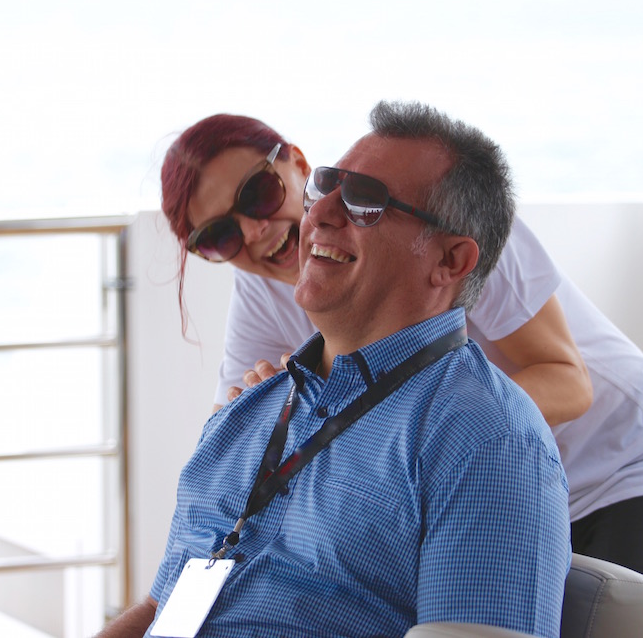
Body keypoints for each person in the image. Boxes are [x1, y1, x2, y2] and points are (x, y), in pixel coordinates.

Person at [157, 103, 643, 638]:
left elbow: (568, 380)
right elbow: (230, 441)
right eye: (219, 237)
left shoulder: (438, 230)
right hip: (453, 484)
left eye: (258, 194)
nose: (255, 232)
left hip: (629, 467)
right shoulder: (265, 289)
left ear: (298, 165)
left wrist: (405, 438)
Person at [101, 100, 571, 638]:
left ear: (450, 261)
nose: (318, 213)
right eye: (327, 189)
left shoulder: (486, 440)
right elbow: (165, 607)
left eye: (366, 202)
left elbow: (560, 378)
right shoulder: (243, 420)